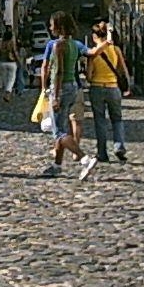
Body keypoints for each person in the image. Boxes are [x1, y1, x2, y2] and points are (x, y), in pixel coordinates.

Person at [38, 11, 96, 181]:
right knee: (61, 126)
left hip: (61, 88)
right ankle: (57, 166)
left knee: (59, 132)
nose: (50, 28)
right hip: (73, 87)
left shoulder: (58, 46)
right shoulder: (73, 44)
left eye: (52, 24)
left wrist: (55, 96)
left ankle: (85, 158)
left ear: (59, 26)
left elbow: (58, 72)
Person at [86, 24, 130, 166]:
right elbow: (123, 69)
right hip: (113, 88)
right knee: (117, 119)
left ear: (94, 37)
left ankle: (102, 153)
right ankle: (119, 146)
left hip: (97, 88)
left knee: (100, 121)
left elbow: (89, 76)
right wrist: (127, 87)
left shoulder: (93, 53)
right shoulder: (115, 49)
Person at [0, 29, 19, 102]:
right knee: (11, 79)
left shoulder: (1, 43)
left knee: (5, 79)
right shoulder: (11, 43)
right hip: (11, 62)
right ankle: (8, 94)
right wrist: (18, 60)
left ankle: (6, 92)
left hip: (2, 62)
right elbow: (14, 52)